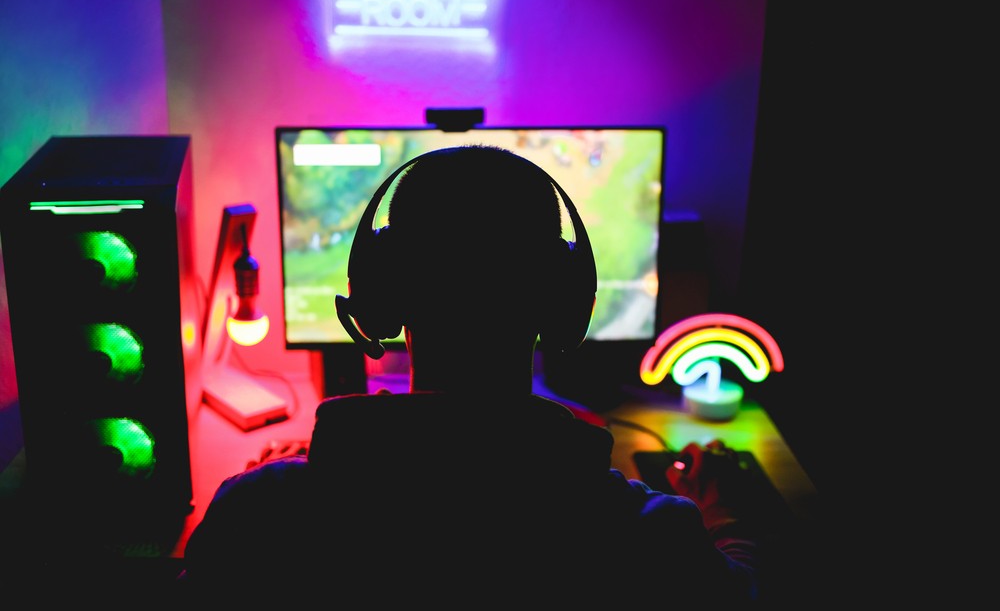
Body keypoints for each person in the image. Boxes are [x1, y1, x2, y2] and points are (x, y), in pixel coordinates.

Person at [177, 145, 762, 605]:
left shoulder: (254, 518)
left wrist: (276, 477)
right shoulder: (651, 540)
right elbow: (747, 593)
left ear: (382, 293)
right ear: (564, 299)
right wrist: (722, 509)